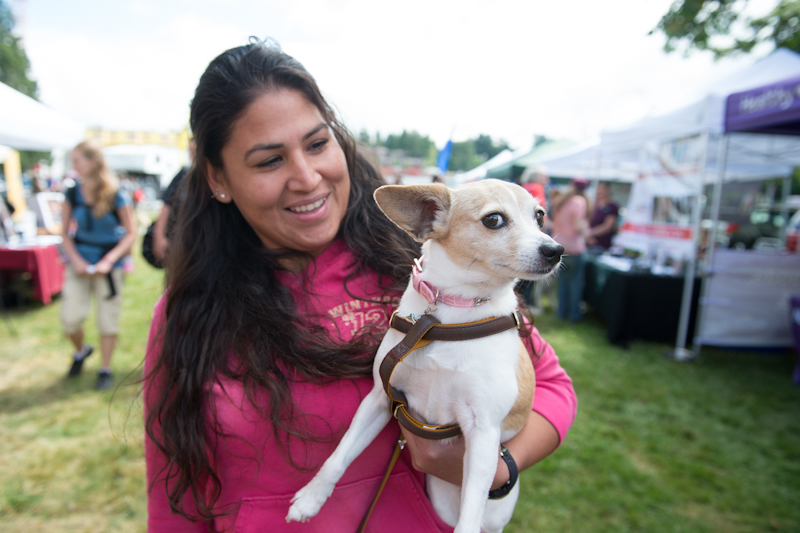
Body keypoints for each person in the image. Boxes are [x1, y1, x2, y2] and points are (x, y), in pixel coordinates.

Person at [144, 39, 577, 532]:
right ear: (218, 178)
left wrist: (495, 471)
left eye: (317, 143)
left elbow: (549, 385)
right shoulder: (189, 315)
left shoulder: (434, 269)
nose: (307, 177)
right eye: (269, 161)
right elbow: (172, 491)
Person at [60, 140, 137, 390]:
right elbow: (64, 233)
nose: (75, 165)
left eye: (78, 160)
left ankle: (105, 367)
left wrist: (109, 260)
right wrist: (78, 260)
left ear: (93, 162)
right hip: (80, 263)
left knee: (107, 319)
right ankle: (82, 350)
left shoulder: (116, 193)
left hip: (108, 266)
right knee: (70, 318)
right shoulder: (72, 192)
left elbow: (130, 233)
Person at [550, 178, 590, 322]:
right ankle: (574, 314)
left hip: (559, 245)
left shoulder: (560, 199)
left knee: (563, 283)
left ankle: (561, 312)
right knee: (575, 283)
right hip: (574, 247)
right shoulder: (579, 201)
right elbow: (578, 226)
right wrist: (586, 228)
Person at [151, 139, 195, 263]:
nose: (192, 156)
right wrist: (159, 237)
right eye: (190, 152)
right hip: (180, 241)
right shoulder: (184, 175)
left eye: (195, 151)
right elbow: (166, 206)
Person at [587, 182, 619, 251]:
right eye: (598, 188)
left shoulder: (612, 206)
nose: (600, 191)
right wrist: (589, 237)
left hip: (603, 243)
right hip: (589, 242)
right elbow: (588, 220)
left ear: (608, 190)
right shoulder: (593, 205)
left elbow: (608, 226)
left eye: (603, 189)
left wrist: (591, 233)